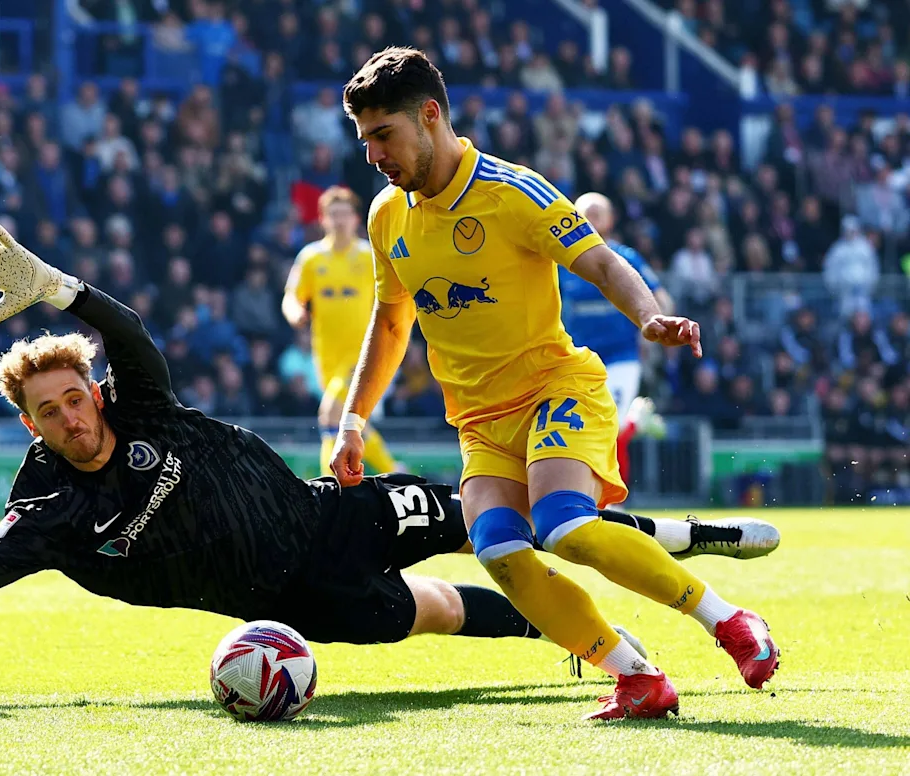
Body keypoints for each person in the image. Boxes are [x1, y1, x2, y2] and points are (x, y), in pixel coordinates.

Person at [0, 224, 778, 656]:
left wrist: (62, 290)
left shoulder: (137, 405)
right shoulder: (49, 510)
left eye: (76, 397)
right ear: (30, 426)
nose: (72, 416)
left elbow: (131, 333)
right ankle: (579, 636)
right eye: (50, 412)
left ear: (93, 393)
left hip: (334, 513)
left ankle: (686, 535)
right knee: (446, 610)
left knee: (506, 525)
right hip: (292, 602)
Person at [331, 47, 780, 720]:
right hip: (481, 421)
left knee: (566, 527)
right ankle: (637, 677)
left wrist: (648, 316)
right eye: (364, 139)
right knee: (499, 551)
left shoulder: (512, 190)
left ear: (429, 116)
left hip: (554, 389)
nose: (372, 155)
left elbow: (600, 262)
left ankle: (730, 621)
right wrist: (352, 421)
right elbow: (391, 324)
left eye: (383, 135)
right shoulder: (385, 215)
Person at [558, 192, 670, 501]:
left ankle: (609, 499)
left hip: (621, 356)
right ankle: (636, 423)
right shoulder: (561, 261)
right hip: (578, 358)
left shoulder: (625, 257)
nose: (591, 218)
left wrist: (658, 327)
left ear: (611, 220)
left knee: (613, 428)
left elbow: (660, 297)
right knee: (583, 430)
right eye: (585, 212)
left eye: (598, 213)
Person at [283, 186, 400, 476]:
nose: (339, 220)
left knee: (330, 414)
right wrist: (295, 312)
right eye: (333, 214)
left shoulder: (369, 256)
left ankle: (329, 482)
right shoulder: (311, 258)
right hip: (326, 356)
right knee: (351, 421)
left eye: (344, 214)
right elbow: (291, 296)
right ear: (322, 219)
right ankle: (395, 469)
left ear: (356, 218)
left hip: (362, 353)